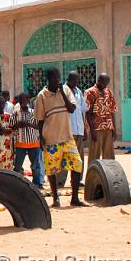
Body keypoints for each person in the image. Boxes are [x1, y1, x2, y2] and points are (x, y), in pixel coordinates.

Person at [35, 67, 86, 208]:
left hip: (67, 137)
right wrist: (40, 138)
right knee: (51, 169)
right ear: (49, 79)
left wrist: (62, 92)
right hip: (50, 138)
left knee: (77, 164)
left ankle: (74, 198)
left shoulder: (66, 90)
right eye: (55, 77)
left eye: (59, 77)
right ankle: (55, 198)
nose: (58, 80)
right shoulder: (42, 96)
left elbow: (72, 109)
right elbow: (40, 120)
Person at [85, 73, 119, 164]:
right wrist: (92, 130)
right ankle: (92, 176)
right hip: (96, 128)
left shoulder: (108, 92)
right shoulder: (90, 92)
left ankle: (110, 175)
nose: (104, 85)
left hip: (108, 127)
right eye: (103, 83)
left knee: (109, 155)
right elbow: (87, 112)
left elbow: (112, 111)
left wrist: (114, 129)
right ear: (98, 80)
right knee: (94, 155)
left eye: (106, 84)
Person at [12, 93, 43, 188]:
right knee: (18, 166)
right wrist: (18, 125)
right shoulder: (15, 114)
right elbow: (12, 127)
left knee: (35, 166)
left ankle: (36, 184)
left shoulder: (34, 112)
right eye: (21, 101)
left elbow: (39, 126)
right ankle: (18, 185)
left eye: (25, 100)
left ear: (28, 100)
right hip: (20, 143)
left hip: (33, 143)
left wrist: (28, 124)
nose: (23, 102)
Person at [65, 71, 88, 177]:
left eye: (78, 80)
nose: (78, 82)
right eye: (76, 80)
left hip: (79, 129)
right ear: (70, 79)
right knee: (65, 156)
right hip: (67, 129)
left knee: (79, 157)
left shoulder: (78, 91)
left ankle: (77, 179)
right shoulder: (63, 91)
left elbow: (82, 110)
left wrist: (84, 129)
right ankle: (60, 181)